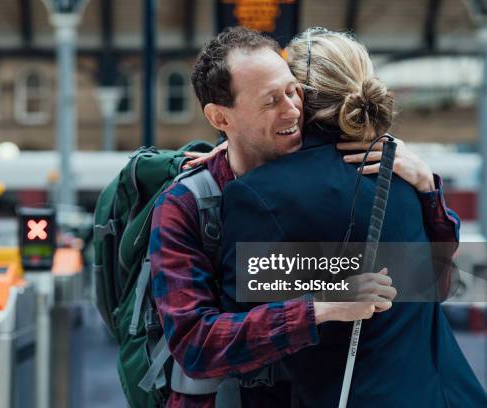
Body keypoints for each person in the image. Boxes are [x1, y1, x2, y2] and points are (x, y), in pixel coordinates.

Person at [149, 27, 460, 407]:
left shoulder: (323, 180)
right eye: (269, 101)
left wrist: (428, 186)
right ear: (219, 117)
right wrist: (320, 307)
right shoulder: (184, 203)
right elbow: (196, 346)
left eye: (292, 90)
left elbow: (432, 280)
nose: (293, 109)